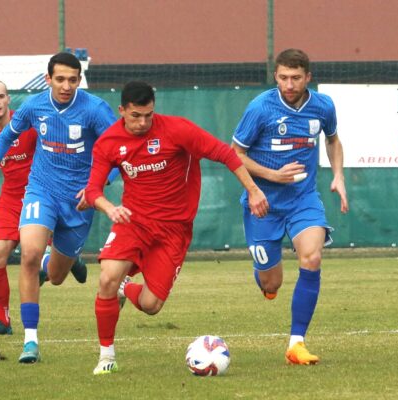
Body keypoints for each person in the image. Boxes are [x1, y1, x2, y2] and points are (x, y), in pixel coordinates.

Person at [83, 81, 269, 375]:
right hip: (133, 221)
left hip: (173, 231)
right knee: (106, 277)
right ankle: (107, 356)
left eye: (148, 115)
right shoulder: (107, 142)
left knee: (151, 305)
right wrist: (109, 207)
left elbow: (226, 153)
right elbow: (92, 189)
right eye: (135, 116)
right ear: (122, 111)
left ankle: (125, 288)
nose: (143, 122)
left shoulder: (177, 130)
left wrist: (254, 190)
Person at [0, 52, 117, 363]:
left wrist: (98, 186)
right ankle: (31, 341)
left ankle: (60, 259)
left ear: (80, 81)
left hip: (79, 201)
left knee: (56, 275)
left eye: (73, 80)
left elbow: (120, 150)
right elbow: (7, 136)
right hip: (41, 191)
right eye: (60, 79)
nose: (66, 86)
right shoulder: (34, 106)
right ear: (48, 79)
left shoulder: (94, 109)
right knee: (29, 254)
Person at [231, 48, 349, 365]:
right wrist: (270, 177)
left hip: (303, 198)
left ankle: (296, 343)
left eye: (296, 78)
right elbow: (235, 155)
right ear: (276, 76)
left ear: (308, 77)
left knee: (311, 257)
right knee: (272, 284)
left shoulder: (323, 106)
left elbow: (333, 140)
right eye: (283, 77)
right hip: (262, 202)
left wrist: (338, 175)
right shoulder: (260, 108)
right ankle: (266, 281)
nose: (289, 84)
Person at [0, 79, 87, 337]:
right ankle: (3, 321)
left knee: (38, 261)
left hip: (44, 194)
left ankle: (64, 257)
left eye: (1, 96)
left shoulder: (31, 123)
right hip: (11, 199)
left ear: (9, 99)